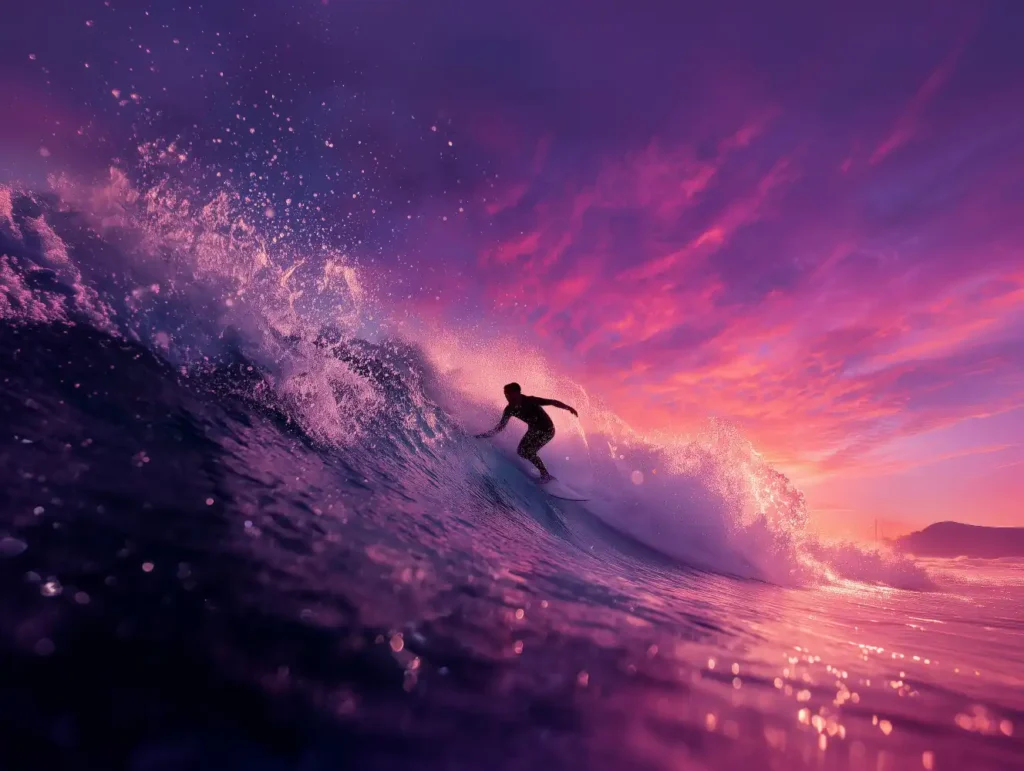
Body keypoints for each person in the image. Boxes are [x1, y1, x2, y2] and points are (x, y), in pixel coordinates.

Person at [475, 382, 578, 483]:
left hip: (547, 430)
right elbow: (500, 427)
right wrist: (483, 436)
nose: (508, 398)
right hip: (534, 430)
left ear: (518, 393)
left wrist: (568, 408)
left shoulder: (530, 400)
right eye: (506, 395)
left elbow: (552, 402)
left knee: (528, 451)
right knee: (521, 451)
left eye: (510, 395)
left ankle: (545, 475)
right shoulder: (509, 409)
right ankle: (543, 472)